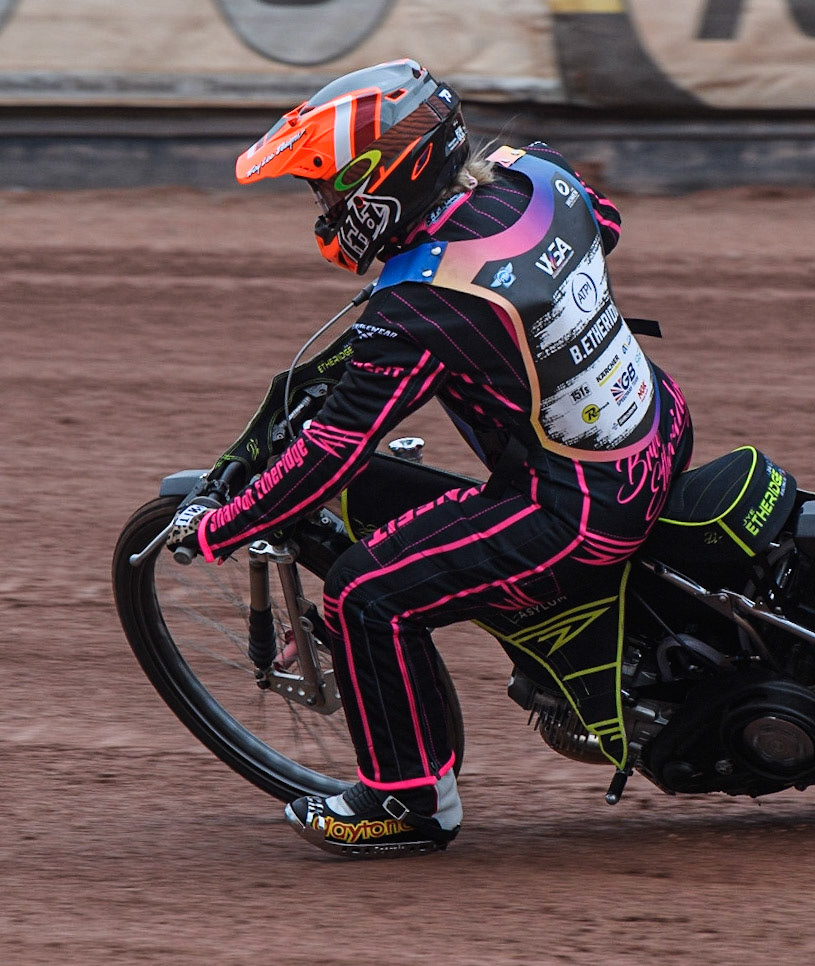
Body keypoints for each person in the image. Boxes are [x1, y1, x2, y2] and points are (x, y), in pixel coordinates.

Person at [165, 58, 693, 857]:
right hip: (659, 425)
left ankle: (407, 803)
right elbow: (604, 223)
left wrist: (222, 526)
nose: (328, 209)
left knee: (365, 595)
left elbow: (331, 450)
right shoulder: (541, 179)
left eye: (333, 190)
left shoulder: (421, 304)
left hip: (582, 509)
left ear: (388, 180)